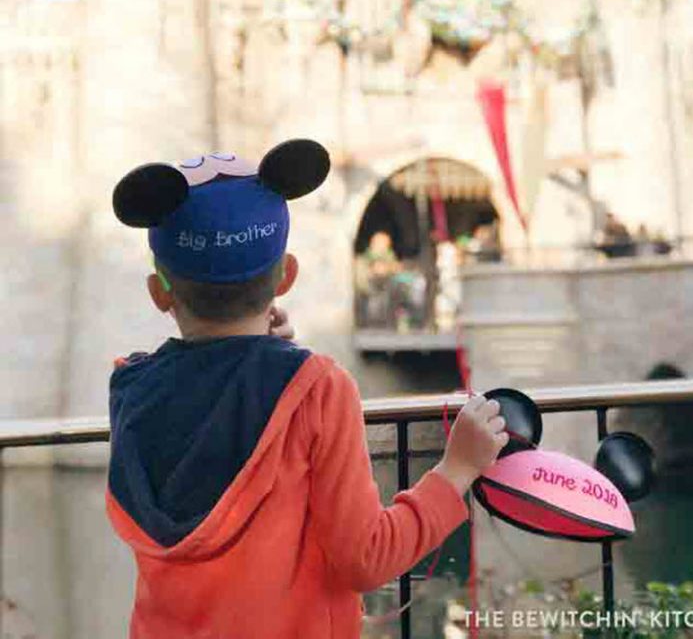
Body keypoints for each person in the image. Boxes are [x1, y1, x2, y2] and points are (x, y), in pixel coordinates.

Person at [107, 141, 508, 639]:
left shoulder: (131, 386)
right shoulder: (319, 390)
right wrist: (457, 469)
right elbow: (366, 559)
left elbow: (204, 388)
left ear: (160, 291)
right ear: (286, 275)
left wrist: (261, 358)